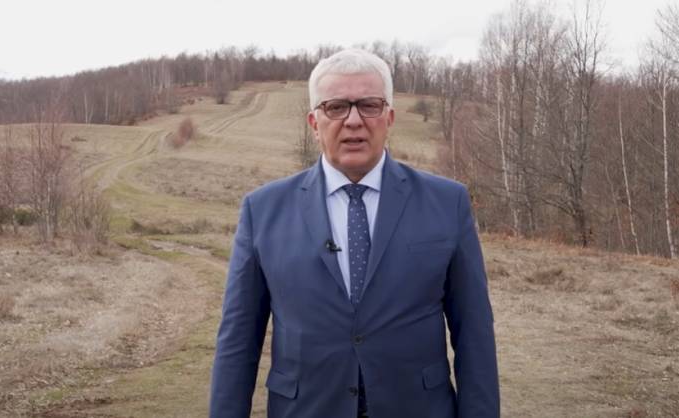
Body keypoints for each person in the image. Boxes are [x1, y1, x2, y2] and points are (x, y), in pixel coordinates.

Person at [209, 48, 499, 418]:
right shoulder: (262, 210)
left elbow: (474, 333)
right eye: (336, 107)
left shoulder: (447, 202)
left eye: (369, 105)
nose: (353, 121)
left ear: (389, 117)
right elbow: (237, 341)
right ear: (314, 122)